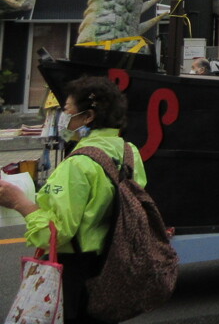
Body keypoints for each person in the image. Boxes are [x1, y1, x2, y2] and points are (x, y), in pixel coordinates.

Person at [0, 76, 146, 324]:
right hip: (111, 265)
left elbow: (56, 233)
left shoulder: (78, 164)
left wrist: (19, 203)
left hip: (75, 272)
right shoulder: (129, 151)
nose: (62, 118)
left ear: (88, 116)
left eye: (67, 111)